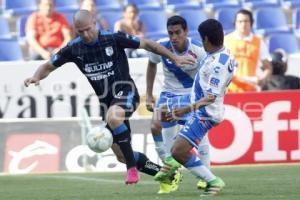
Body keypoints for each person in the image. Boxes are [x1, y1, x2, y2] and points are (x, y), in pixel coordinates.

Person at [24, 10, 194, 185]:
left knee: (113, 117)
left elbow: (149, 44)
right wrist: (36, 76)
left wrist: (174, 58)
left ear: (94, 24)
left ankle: (131, 169)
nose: (85, 34)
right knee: (121, 155)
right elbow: (49, 66)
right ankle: (170, 176)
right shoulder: (74, 48)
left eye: (88, 29)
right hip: (106, 103)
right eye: (80, 31)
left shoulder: (113, 38)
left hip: (127, 93)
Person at [154, 19, 236, 196]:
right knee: (162, 111)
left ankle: (212, 180)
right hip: (193, 101)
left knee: (179, 151)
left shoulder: (217, 65)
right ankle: (171, 161)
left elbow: (211, 98)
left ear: (206, 39)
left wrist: (185, 110)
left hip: (204, 113)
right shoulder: (220, 54)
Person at [145, 15, 210, 193]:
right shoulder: (161, 46)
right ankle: (171, 170)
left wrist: (204, 98)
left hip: (192, 94)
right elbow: (151, 65)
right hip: (169, 94)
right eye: (171, 33)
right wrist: (149, 94)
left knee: (200, 134)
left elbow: (208, 73)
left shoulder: (198, 49)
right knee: (155, 126)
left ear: (186, 31)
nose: (174, 37)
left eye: (178, 33)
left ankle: (205, 176)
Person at [224, 9, 271, 92]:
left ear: (251, 23)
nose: (243, 24)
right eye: (240, 21)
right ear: (235, 23)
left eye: (246, 21)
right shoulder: (226, 41)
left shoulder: (259, 42)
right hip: (230, 90)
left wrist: (262, 79)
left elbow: (268, 67)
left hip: (251, 90)